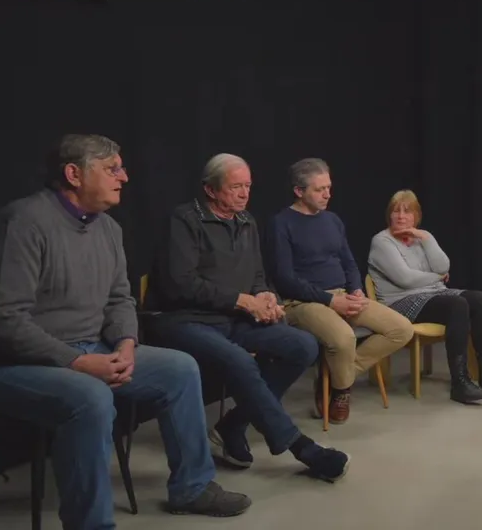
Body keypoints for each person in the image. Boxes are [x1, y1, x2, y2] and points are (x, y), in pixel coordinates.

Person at [0, 135, 250, 528]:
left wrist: (127, 344)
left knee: (180, 369)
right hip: (10, 363)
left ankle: (192, 487)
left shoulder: (109, 229)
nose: (124, 177)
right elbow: (2, 319)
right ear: (73, 174)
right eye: (112, 169)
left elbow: (119, 299)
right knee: (91, 397)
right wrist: (76, 362)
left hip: (91, 348)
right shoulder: (23, 222)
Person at [146, 153, 350, 482]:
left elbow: (257, 275)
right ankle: (301, 447)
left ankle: (233, 424)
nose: (244, 194)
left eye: (248, 186)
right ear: (210, 190)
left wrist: (265, 295)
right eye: (235, 187)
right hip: (183, 320)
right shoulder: (185, 219)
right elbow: (180, 283)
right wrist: (242, 300)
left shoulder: (246, 221)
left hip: (231, 319)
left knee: (303, 345)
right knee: (239, 360)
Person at [265, 159, 413, 423]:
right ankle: (342, 391)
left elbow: (348, 262)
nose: (327, 195)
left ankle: (336, 379)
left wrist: (356, 290)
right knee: (344, 338)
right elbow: (284, 279)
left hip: (343, 295)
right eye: (319, 189)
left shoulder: (332, 220)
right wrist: (330, 301)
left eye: (329, 188)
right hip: (301, 302)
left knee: (401, 329)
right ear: (299, 191)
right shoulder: (281, 223)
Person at [368, 189, 482, 403]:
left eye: (407, 211)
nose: (401, 216)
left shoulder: (421, 238)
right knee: (457, 305)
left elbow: (443, 266)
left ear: (416, 216)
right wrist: (436, 277)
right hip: (399, 303)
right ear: (389, 215)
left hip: (432, 294)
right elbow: (406, 279)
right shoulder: (382, 242)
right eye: (396, 211)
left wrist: (426, 237)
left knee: (480, 300)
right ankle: (460, 382)